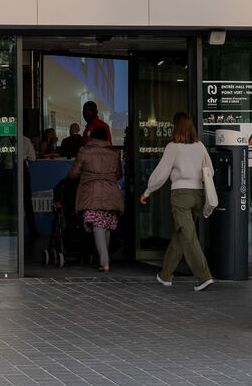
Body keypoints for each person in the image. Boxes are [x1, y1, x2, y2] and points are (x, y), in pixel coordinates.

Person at [140, 112, 215, 292]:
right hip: (198, 195)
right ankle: (165, 275)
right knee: (181, 235)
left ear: (176, 127)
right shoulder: (200, 146)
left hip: (180, 196)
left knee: (188, 236)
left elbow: (161, 174)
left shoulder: (173, 147)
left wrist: (147, 191)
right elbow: (210, 171)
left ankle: (204, 277)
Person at [67, 126, 124, 271]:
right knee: (106, 226)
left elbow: (74, 173)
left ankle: (104, 261)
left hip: (91, 193)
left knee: (98, 226)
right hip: (111, 192)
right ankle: (104, 258)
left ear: (92, 136)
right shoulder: (114, 152)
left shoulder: (85, 151)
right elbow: (118, 174)